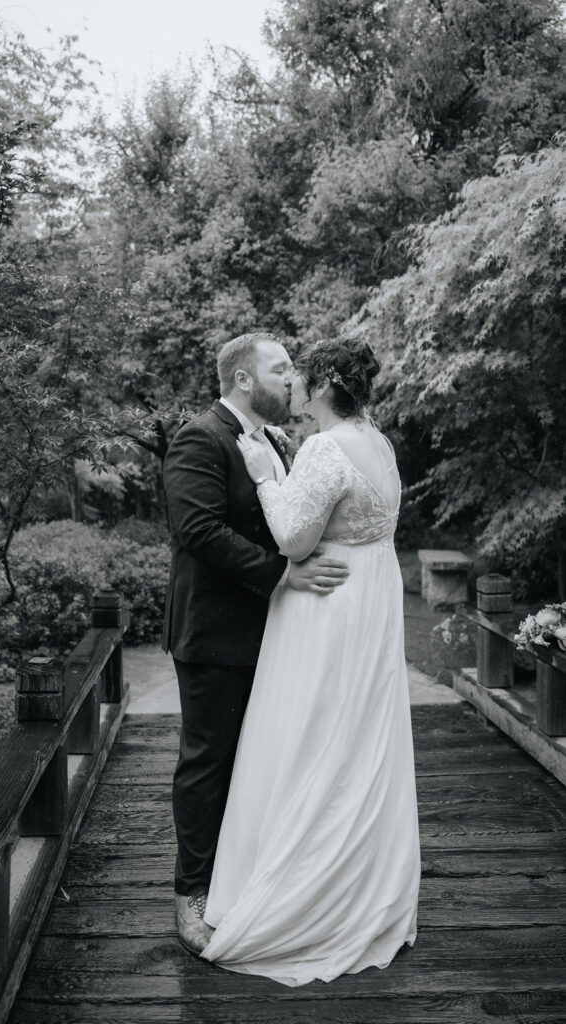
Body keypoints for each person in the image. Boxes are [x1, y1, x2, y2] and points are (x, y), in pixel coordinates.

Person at [200, 336, 421, 986]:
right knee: (355, 742)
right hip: (368, 603)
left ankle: (303, 899)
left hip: (325, 612)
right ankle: (361, 886)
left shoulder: (324, 447)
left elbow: (294, 536)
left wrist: (268, 478)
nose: (291, 383)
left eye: (300, 374)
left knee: (310, 740)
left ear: (324, 381)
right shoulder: (376, 442)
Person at [162, 332, 351, 955]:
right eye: (281, 368)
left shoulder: (273, 440)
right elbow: (199, 530)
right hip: (215, 634)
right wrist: (282, 574)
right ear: (244, 380)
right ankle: (190, 896)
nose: (292, 377)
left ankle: (240, 883)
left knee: (259, 761)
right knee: (207, 762)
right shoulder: (200, 436)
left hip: (272, 634)